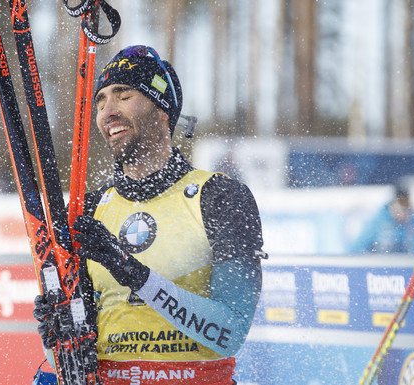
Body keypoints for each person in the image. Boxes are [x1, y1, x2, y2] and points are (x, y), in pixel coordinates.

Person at [33, 45, 264, 384]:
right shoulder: (89, 209)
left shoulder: (219, 197)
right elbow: (67, 355)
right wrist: (55, 332)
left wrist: (135, 275)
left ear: (162, 110)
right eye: (100, 100)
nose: (107, 111)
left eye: (123, 95)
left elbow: (228, 334)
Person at [350, 184, 414, 254]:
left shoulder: (413, 222)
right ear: (393, 204)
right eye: (402, 205)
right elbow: (356, 249)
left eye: (407, 206)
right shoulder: (379, 222)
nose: (405, 210)